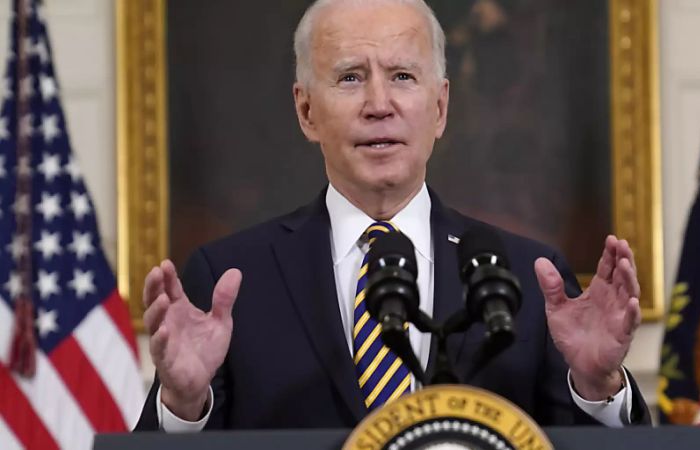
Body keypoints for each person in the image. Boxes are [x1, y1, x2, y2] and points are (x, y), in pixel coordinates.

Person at [134, 0, 650, 431]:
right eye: (351, 78)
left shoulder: (526, 277)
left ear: (440, 107)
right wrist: (182, 405)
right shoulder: (230, 278)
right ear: (306, 110)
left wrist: (598, 388)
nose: (379, 104)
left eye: (403, 76)